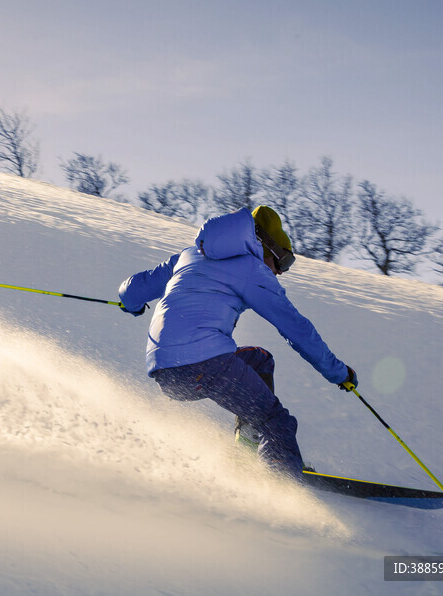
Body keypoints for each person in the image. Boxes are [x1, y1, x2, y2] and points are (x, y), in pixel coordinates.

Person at [118, 205, 357, 481]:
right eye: (283, 261)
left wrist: (132, 305)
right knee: (275, 421)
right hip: (206, 363)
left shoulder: (188, 255)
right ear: (266, 246)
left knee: (260, 360)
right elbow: (296, 329)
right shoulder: (251, 269)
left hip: (166, 372)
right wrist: (338, 373)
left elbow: (132, 289)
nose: (280, 271)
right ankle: (282, 482)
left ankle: (247, 455)